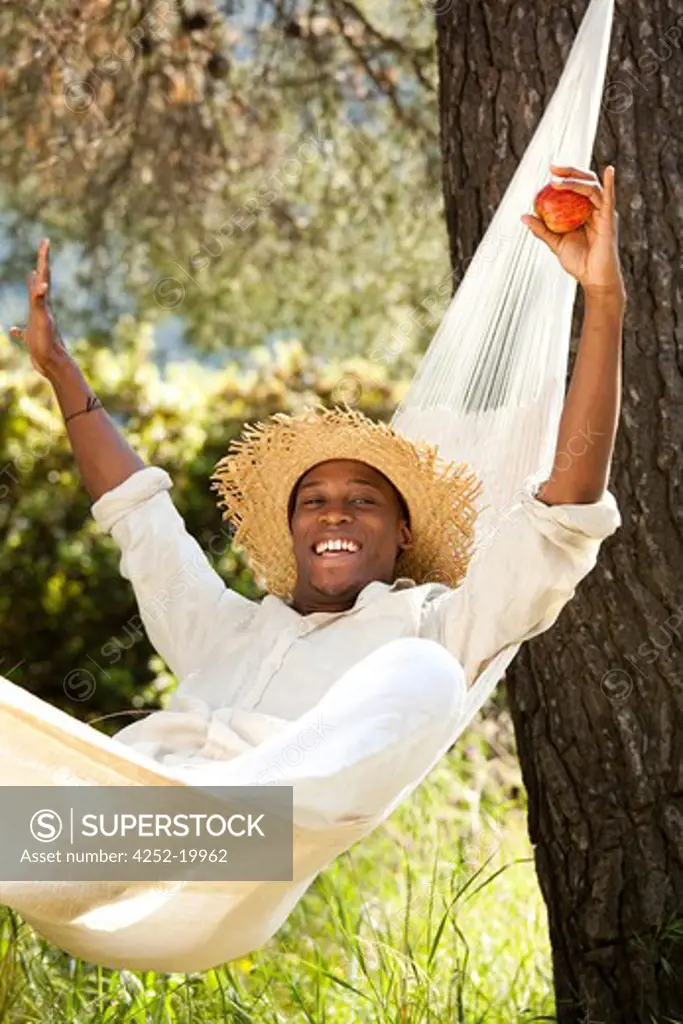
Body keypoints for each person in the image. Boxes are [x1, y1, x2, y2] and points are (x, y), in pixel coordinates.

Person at [3, 163, 626, 971]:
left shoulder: (434, 623)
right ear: (293, 531)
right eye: (314, 501)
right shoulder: (219, 630)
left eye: (362, 502)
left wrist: (602, 303)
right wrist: (61, 372)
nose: (334, 512)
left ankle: (214, 812)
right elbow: (139, 514)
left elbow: (562, 517)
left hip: (238, 871)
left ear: (402, 533)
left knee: (426, 676)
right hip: (113, 836)